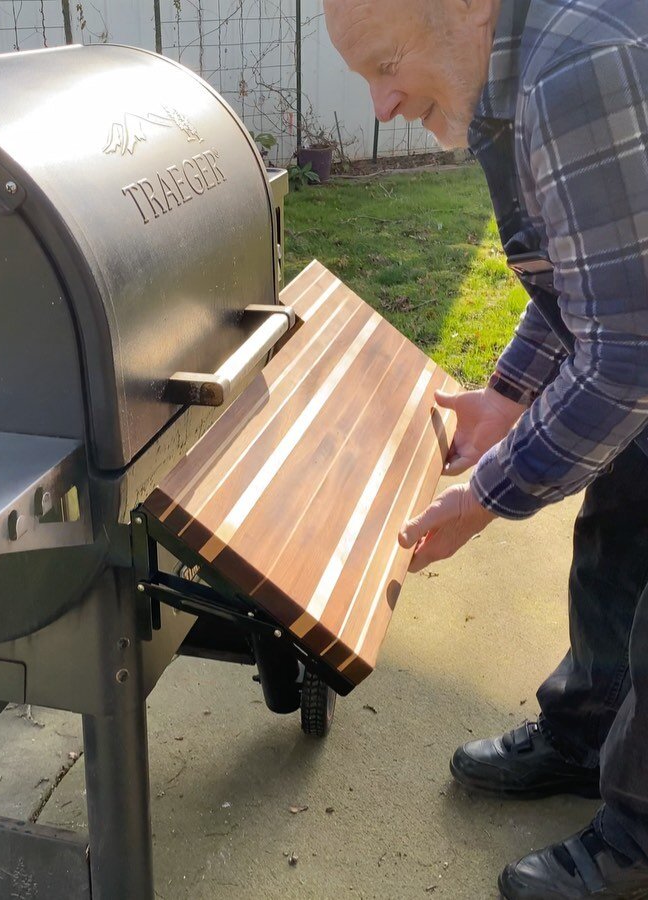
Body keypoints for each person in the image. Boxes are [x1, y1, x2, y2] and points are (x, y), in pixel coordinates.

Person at [324, 0, 648, 897]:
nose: (381, 106)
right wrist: (508, 394)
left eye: (386, 63)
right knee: (617, 535)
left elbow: (628, 357)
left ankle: (636, 843)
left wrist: (489, 495)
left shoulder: (572, 68)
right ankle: (586, 734)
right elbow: (581, 277)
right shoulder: (517, 71)